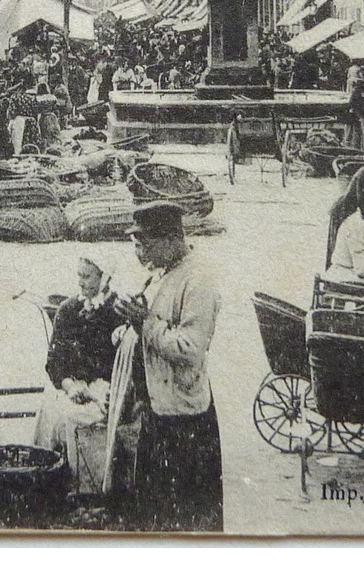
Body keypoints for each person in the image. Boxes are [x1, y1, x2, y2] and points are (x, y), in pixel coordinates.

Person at [113, 202, 223, 532]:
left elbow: (189, 349)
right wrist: (131, 321)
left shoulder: (198, 280)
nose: (141, 251)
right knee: (155, 510)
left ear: (171, 239)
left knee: (189, 516)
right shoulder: (164, 273)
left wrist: (145, 323)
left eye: (145, 242)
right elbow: (153, 321)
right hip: (160, 409)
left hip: (185, 418)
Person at [32, 256, 125, 491]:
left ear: (104, 278)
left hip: (104, 386)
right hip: (71, 384)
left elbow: (123, 364)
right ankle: (50, 479)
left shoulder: (118, 312)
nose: (81, 282)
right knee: (51, 410)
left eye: (87, 276)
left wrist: (103, 390)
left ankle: (89, 487)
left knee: (84, 415)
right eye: (79, 275)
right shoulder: (68, 309)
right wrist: (70, 386)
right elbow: (54, 362)